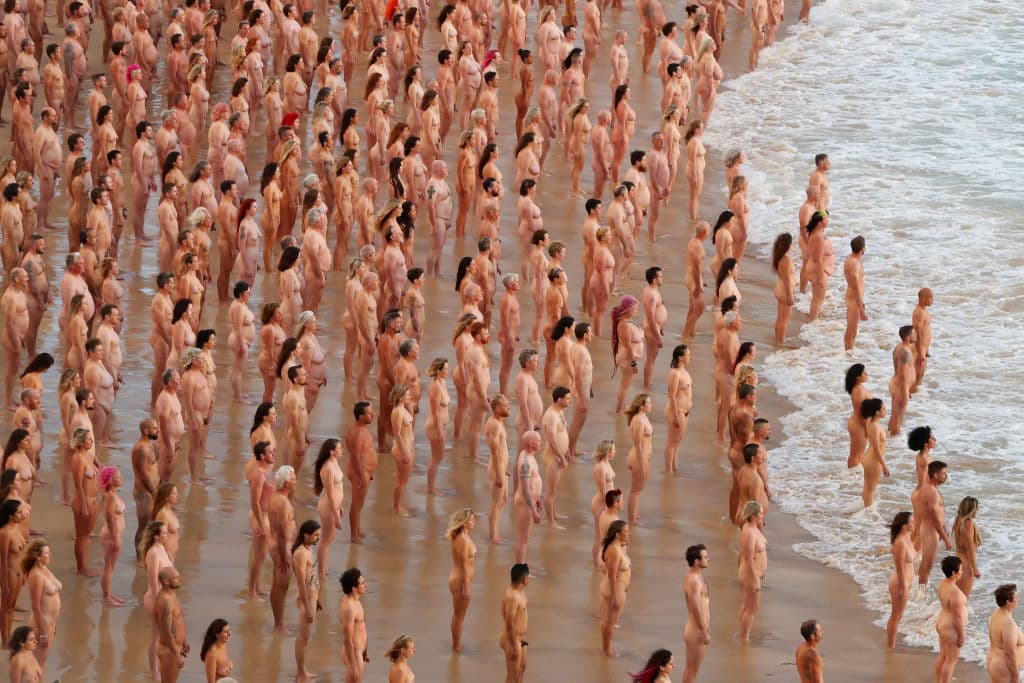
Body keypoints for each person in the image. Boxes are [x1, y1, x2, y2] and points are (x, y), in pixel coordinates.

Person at [22, 539, 60, 670]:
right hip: (41, 624)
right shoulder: (36, 576)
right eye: (47, 553)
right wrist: (43, 633)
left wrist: (54, 623)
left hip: (50, 622)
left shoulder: (44, 568)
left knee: (41, 662)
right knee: (39, 664)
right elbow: (35, 607)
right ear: (38, 557)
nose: (50, 555)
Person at [268, 465, 297, 635]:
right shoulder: (282, 503)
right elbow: (281, 532)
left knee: (277, 585)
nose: (295, 481)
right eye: (293, 479)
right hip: (282, 548)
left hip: (280, 546)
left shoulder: (277, 497)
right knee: (281, 587)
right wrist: (285, 557)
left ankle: (278, 622)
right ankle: (279, 625)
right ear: (286, 482)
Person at [292, 519, 321, 683]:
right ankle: (300, 673)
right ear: (306, 535)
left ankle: (303, 670)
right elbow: (301, 582)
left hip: (312, 598)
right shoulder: (301, 553)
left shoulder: (308, 549)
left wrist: (318, 600)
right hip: (306, 600)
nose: (318, 538)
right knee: (303, 638)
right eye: (316, 535)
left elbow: (313, 575)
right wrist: (309, 606)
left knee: (305, 638)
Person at [916, 461, 952, 589]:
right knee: (927, 567)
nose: (946, 476)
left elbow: (938, 515)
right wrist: (946, 539)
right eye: (944, 474)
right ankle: (919, 596)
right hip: (931, 532)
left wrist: (944, 526)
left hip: (928, 529)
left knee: (925, 565)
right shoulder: (932, 492)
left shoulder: (930, 487)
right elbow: (935, 518)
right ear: (935, 475)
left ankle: (917, 590)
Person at [345, 402, 377, 544]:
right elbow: (355, 457)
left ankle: (357, 528)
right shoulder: (358, 433)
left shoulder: (362, 429)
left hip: (365, 470)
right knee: (356, 504)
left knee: (360, 503)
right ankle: (353, 535)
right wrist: (360, 475)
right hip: (360, 470)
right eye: (369, 414)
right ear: (360, 416)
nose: (373, 415)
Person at [599, 519, 631, 656]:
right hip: (614, 590)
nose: (629, 534)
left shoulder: (618, 547)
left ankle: (605, 647)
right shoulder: (614, 551)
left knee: (607, 622)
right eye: (626, 532)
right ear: (618, 534)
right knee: (610, 623)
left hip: (618, 588)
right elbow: (612, 575)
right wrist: (615, 596)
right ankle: (607, 650)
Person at [313, 439, 344, 580]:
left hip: (334, 506)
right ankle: (321, 571)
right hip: (328, 507)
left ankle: (324, 568)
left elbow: (338, 489)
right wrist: (336, 517)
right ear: (331, 451)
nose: (341, 450)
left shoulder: (335, 463)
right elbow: (331, 495)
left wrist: (340, 506)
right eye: (339, 448)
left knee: (329, 538)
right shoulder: (328, 468)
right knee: (325, 540)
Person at [540, 386, 571, 528]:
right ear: (559, 399)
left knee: (554, 489)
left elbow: (563, 432)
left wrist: (567, 451)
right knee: (550, 491)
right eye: (568, 398)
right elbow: (552, 441)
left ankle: (554, 512)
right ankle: (551, 521)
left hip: (559, 455)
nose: (570, 401)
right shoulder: (551, 416)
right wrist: (561, 457)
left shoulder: (560, 412)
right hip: (553, 457)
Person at [446, 508, 476, 652]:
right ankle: (456, 645)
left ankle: (456, 643)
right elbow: (464, 564)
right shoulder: (463, 540)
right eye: (471, 519)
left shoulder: (461, 535)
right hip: (460, 581)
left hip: (458, 579)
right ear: (464, 523)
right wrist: (467, 586)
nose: (474, 521)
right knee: (459, 616)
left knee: (458, 615)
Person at [511, 431, 542, 564]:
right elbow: (525, 489)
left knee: (525, 538)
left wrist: (537, 499)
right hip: (525, 503)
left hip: (529, 501)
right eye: (539, 441)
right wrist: (533, 509)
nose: (541, 443)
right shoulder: (526, 463)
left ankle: (522, 565)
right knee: (523, 539)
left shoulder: (528, 455)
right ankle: (520, 568)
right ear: (531, 443)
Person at [738, 500, 767, 642]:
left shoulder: (754, 527)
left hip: (756, 573)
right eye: (761, 513)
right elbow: (748, 559)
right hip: (751, 574)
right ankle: (744, 637)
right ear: (753, 516)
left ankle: (743, 633)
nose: (763, 515)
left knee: (747, 605)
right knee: (752, 607)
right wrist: (755, 579)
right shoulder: (749, 532)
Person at [154, 566, 189, 683]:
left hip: (174, 647)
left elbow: (177, 620)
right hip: (169, 650)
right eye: (176, 578)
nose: (180, 579)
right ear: (166, 582)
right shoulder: (165, 602)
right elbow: (166, 632)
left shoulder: (171, 594)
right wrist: (177, 654)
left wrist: (184, 640)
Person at [886, 511, 916, 648]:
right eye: (912, 522)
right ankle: (890, 647)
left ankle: (890, 645)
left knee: (898, 616)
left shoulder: (907, 537)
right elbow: (899, 568)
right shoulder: (900, 543)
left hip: (904, 582)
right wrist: (904, 587)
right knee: (895, 617)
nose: (914, 523)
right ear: (905, 526)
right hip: (899, 583)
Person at [935, 556, 967, 683]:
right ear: (954, 573)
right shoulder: (955, 592)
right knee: (951, 661)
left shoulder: (943, 583)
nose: (962, 572)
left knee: (943, 656)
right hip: (951, 628)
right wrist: (961, 634)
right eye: (961, 570)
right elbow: (957, 617)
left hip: (942, 622)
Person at [682, 545, 711, 681]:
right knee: (692, 670)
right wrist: (704, 632)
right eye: (705, 557)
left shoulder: (698, 577)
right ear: (696, 561)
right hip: (696, 631)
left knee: (693, 669)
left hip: (698, 630)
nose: (708, 559)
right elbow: (695, 607)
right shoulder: (693, 580)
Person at [98, 466, 125, 606]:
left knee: (111, 567)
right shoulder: (109, 496)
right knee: (108, 567)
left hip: (114, 534)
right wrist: (115, 538)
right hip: (111, 535)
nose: (121, 479)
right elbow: (110, 519)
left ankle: (109, 593)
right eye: (118, 478)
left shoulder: (114, 494)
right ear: (110, 481)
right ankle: (106, 597)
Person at [485, 395, 510, 543]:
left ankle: (495, 531)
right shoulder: (493, 424)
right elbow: (494, 451)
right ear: (496, 409)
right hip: (497, 468)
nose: (508, 407)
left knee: (504, 500)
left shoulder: (500, 422)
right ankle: (492, 536)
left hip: (502, 467)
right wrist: (500, 475)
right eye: (505, 406)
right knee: (496, 503)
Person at [986, 584, 1024, 683]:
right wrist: (1016, 675)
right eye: (1016, 598)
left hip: (993, 659)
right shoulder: (1008, 623)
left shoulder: (996, 614)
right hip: (1003, 667)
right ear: (1008, 602)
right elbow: (1009, 652)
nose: (1018, 600)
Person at [499, 563, 530, 683]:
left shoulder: (518, 591)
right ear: (524, 580)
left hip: (521, 638)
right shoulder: (513, 597)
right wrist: (513, 645)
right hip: (512, 639)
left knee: (522, 668)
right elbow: (509, 623)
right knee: (512, 675)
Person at [339, 567, 369, 683]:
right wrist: (352, 665)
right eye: (363, 583)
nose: (366, 585)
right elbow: (347, 639)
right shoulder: (350, 609)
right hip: (354, 654)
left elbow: (361, 628)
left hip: (360, 650)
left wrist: (365, 649)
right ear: (354, 588)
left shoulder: (353, 599)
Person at [860, 398, 889, 508]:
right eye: (883, 409)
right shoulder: (875, 427)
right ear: (877, 412)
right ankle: (867, 514)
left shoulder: (870, 421)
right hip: (873, 460)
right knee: (870, 489)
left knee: (867, 487)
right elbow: (877, 449)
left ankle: (863, 511)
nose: (885, 410)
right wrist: (884, 466)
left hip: (868, 457)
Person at [952, 496, 981, 598]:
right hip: (965, 565)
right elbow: (970, 548)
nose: (978, 511)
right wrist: (975, 569)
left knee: (956, 597)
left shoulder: (958, 520)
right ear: (972, 510)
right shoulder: (968, 523)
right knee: (963, 599)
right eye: (977, 508)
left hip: (957, 560)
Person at [845, 363, 872, 469]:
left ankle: (854, 478)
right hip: (859, 425)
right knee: (855, 455)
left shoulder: (860, 387)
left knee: (858, 455)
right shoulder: (858, 390)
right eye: (864, 373)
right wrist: (867, 428)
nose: (867, 374)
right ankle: (850, 478)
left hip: (860, 423)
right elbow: (862, 412)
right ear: (857, 376)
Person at [843, 235, 867, 352]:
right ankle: (848, 353)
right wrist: (861, 308)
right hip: (854, 299)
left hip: (852, 297)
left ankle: (848, 351)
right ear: (862, 248)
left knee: (851, 329)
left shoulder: (850, 259)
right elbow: (856, 288)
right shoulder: (854, 265)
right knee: (852, 330)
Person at [912, 287, 933, 393]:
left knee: (920, 377)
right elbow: (917, 332)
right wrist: (920, 351)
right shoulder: (919, 312)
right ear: (923, 298)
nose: (932, 300)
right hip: (919, 349)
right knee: (916, 378)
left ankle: (917, 401)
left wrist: (926, 349)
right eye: (930, 298)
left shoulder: (925, 311)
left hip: (924, 348)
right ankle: (912, 399)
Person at [200, 619, 233, 683]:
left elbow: (222, 662)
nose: (229, 634)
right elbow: (211, 682)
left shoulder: (223, 645)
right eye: (226, 632)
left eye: (229, 630)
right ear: (217, 634)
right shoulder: (212, 654)